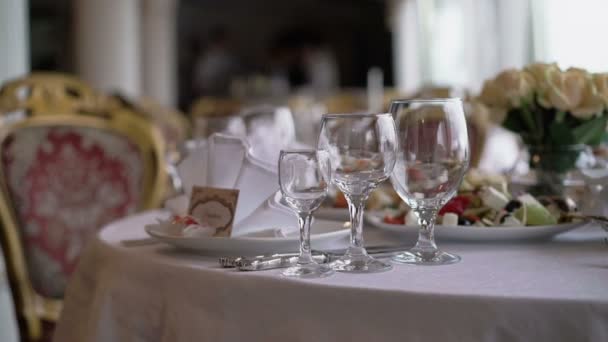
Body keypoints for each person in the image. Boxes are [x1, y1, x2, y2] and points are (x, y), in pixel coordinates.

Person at [193, 27, 240, 97]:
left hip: (228, 95)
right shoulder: (207, 59)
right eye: (225, 40)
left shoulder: (229, 57)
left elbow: (237, 75)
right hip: (209, 96)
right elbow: (199, 84)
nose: (228, 43)